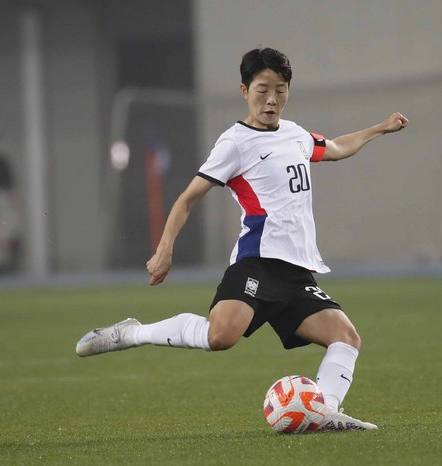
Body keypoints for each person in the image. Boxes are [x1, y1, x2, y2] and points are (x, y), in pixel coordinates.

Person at [76, 47, 408, 431]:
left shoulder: (295, 134)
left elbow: (333, 148)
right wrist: (165, 249)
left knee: (346, 336)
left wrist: (379, 128)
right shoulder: (234, 143)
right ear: (244, 90)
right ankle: (132, 332)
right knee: (220, 337)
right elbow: (187, 199)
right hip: (258, 263)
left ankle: (325, 410)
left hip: (297, 272)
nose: (272, 99)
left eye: (280, 90)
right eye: (263, 89)